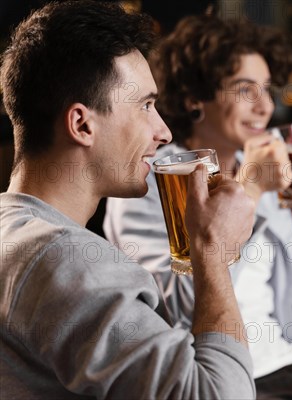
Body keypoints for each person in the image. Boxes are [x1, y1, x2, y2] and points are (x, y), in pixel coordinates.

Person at [103, 13, 292, 400]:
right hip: (223, 381)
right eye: (243, 89)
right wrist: (249, 192)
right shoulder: (153, 179)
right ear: (194, 97)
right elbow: (175, 310)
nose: (264, 107)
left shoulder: (258, 172)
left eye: (266, 89)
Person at [0, 2, 257, 398]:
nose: (164, 132)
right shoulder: (64, 259)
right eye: (146, 106)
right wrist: (212, 251)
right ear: (82, 124)